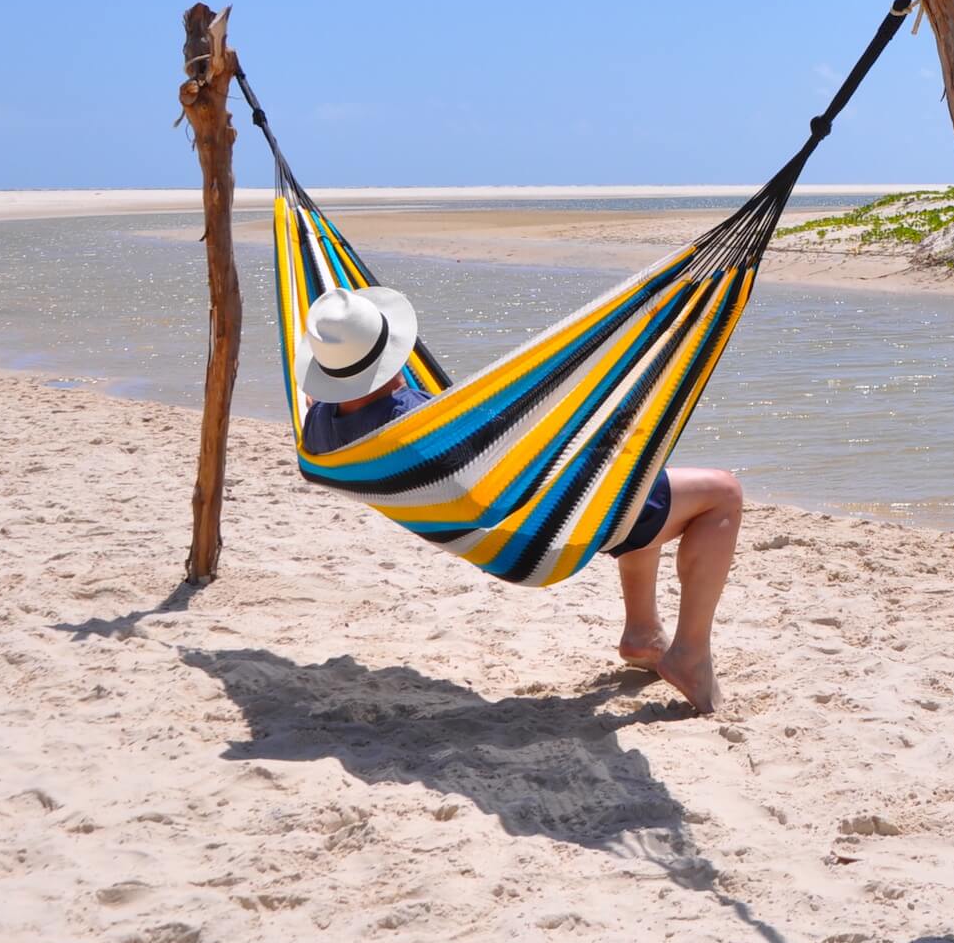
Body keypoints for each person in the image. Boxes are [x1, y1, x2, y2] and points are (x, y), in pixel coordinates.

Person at [299, 285, 742, 713]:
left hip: (492, 528)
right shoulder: (418, 424)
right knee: (721, 492)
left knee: (636, 479)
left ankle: (642, 632)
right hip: (540, 529)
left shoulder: (319, 428)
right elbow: (518, 450)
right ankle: (689, 652)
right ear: (393, 349)